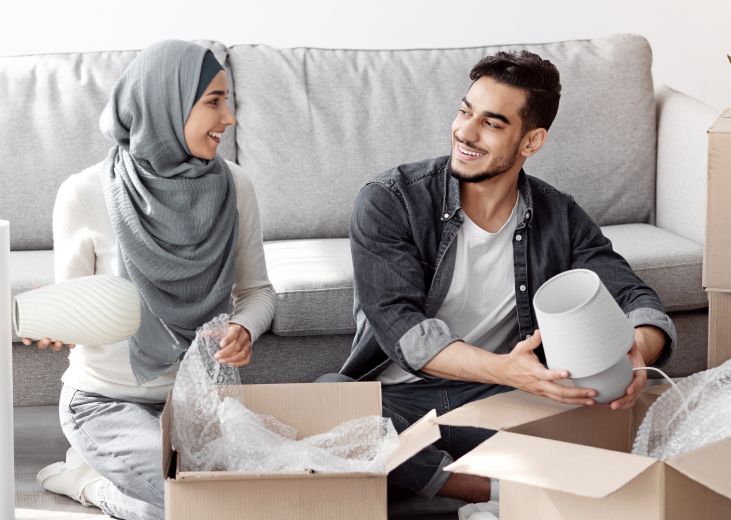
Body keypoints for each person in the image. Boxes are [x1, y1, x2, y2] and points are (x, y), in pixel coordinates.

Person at [339, 50, 676, 504]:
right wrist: (507, 369)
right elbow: (399, 324)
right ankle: (488, 489)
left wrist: (639, 351)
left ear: (531, 141)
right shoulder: (390, 199)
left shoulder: (559, 216)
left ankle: (430, 482)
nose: (465, 132)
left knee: (627, 412)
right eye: (465, 111)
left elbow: (631, 293)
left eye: (491, 123)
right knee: (330, 407)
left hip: (500, 402)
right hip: (401, 401)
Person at [23, 40, 276, 520]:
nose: (230, 118)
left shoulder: (236, 187)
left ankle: (112, 477)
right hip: (104, 402)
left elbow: (257, 293)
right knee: (200, 509)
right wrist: (57, 321)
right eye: (213, 102)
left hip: (197, 401)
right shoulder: (83, 195)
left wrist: (245, 328)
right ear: (167, 102)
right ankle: (89, 483)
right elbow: (74, 312)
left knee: (263, 495)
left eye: (228, 101)